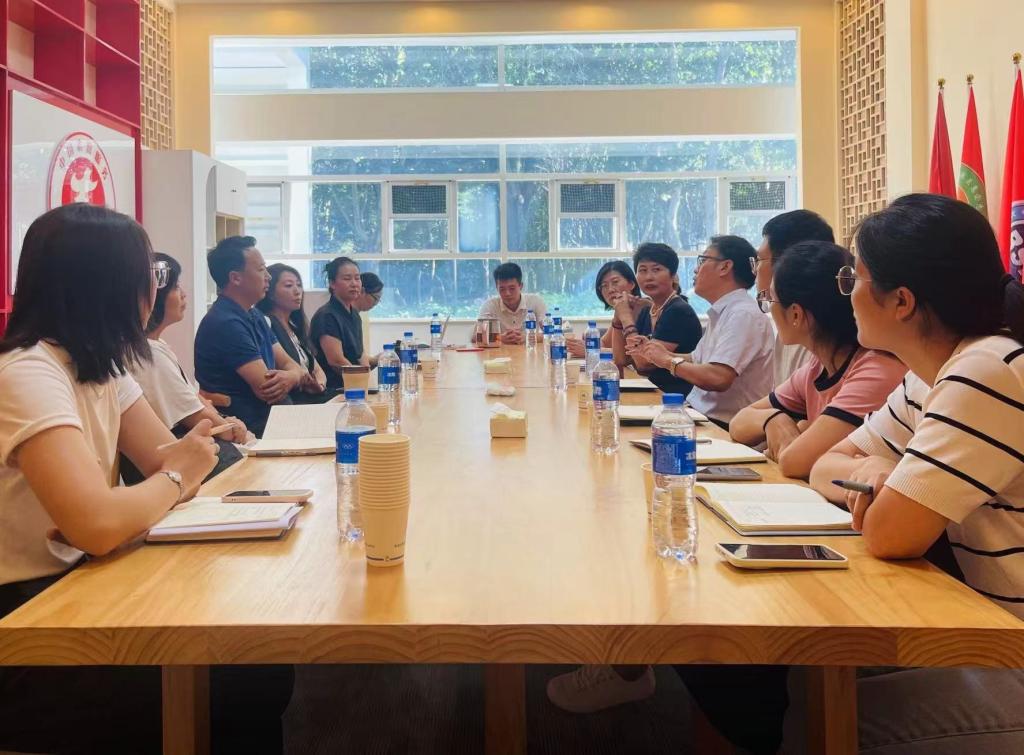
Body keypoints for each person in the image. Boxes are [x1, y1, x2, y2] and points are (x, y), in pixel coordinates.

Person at [685, 194, 1024, 755]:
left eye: (854, 278)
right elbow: (826, 465)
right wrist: (879, 470)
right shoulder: (927, 375)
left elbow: (890, 533)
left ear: (901, 301)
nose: (846, 293)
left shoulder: (985, 370)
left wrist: (882, 475)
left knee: (812, 718)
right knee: (778, 680)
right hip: (982, 625)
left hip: (1006, 649)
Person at [0, 204, 292, 753]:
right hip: (25, 622)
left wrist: (181, 465)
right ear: (109, 284)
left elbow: (169, 460)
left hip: (78, 588)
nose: (155, 290)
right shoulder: (28, 371)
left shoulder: (99, 365)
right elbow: (100, 522)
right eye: (149, 275)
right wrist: (177, 474)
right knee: (241, 678)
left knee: (257, 665)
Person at [729, 241, 906, 479]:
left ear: (796, 314)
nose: (769, 308)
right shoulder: (818, 367)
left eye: (771, 300)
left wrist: (799, 434)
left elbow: (795, 461)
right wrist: (773, 419)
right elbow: (738, 423)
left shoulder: (876, 370)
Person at [635, 235, 773, 427]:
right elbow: (697, 358)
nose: (695, 269)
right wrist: (657, 353)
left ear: (725, 267)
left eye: (703, 260)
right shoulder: (725, 311)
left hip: (723, 426)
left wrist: (667, 360)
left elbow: (718, 377)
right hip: (700, 414)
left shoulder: (743, 314)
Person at [194, 236, 307, 437]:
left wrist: (292, 375)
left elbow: (291, 364)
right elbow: (267, 389)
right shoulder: (226, 322)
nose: (268, 277)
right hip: (249, 430)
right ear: (235, 278)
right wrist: (294, 376)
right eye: (261, 270)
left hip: (274, 420)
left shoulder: (255, 315)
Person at [756, 210, 836, 386]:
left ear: (787, 263)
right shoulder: (788, 328)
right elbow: (779, 399)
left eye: (759, 260)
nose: (755, 270)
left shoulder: (825, 338)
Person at [611, 243, 702, 393]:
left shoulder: (678, 311)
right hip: (654, 393)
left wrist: (626, 318)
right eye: (642, 270)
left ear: (673, 276)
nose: (649, 277)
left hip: (677, 397)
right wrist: (617, 318)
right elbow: (621, 359)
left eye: (656, 270)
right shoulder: (648, 310)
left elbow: (644, 364)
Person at [256, 263, 328, 405]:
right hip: (293, 401)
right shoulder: (266, 323)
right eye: (289, 286)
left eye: (299, 285)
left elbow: (318, 370)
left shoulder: (295, 327)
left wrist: (319, 385)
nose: (297, 291)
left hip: (313, 396)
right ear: (270, 293)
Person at [310, 256, 369, 396]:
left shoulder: (354, 314)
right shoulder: (327, 315)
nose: (354, 284)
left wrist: (368, 380)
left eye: (357, 278)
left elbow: (360, 355)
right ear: (332, 283)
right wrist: (359, 383)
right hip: (334, 389)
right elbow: (336, 361)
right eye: (347, 279)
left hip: (354, 386)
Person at [566, 260, 641, 358]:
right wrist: (581, 344)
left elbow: (635, 354)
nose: (610, 290)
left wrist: (592, 351)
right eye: (604, 286)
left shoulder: (643, 310)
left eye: (615, 282)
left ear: (631, 284)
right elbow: (605, 343)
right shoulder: (619, 312)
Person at [477, 262, 547, 344]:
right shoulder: (490, 306)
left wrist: (528, 337)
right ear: (496, 288)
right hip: (500, 352)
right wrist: (498, 338)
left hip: (529, 350)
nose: (507, 293)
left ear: (521, 286)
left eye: (512, 288)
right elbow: (475, 337)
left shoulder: (535, 302)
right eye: (502, 289)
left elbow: (551, 333)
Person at [356, 271, 384, 367]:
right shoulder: (330, 316)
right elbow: (338, 361)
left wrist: (376, 359)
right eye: (375, 298)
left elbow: (359, 355)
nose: (376, 303)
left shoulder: (355, 317)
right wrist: (365, 372)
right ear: (362, 291)